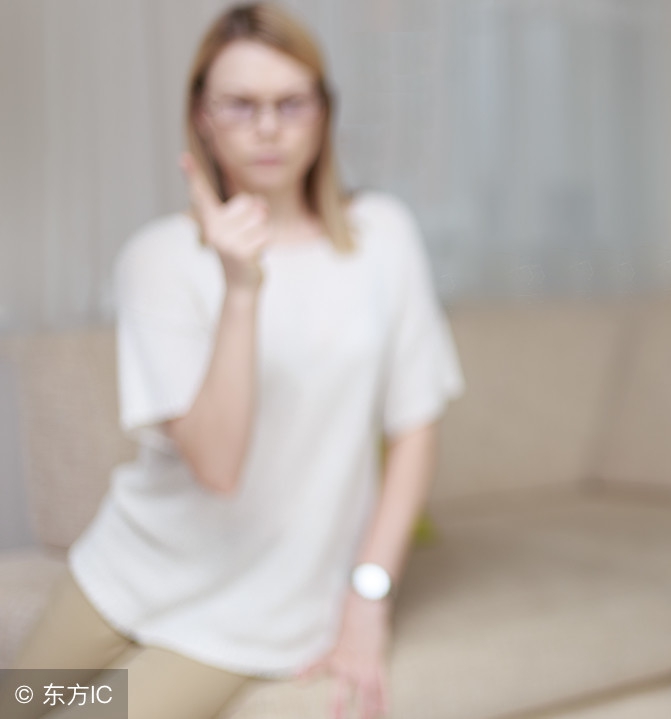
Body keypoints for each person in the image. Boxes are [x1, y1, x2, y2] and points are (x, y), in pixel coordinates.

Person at [12, 4, 463, 718]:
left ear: (324, 112)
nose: (267, 127)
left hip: (255, 613)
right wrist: (240, 291)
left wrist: (367, 595)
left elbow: (415, 428)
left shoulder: (384, 238)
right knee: (18, 703)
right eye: (241, 104)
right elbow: (216, 462)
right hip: (126, 575)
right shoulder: (157, 259)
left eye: (290, 103)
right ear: (202, 116)